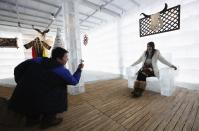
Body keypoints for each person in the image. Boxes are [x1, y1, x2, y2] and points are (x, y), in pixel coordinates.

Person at [8, 47, 84, 129]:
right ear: (58, 59)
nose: (67, 59)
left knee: (39, 89)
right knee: (60, 91)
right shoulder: (61, 70)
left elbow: (18, 68)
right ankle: (48, 120)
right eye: (66, 57)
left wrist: (20, 82)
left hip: (23, 95)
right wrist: (79, 69)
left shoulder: (38, 60)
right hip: (42, 98)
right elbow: (74, 81)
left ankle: (32, 119)